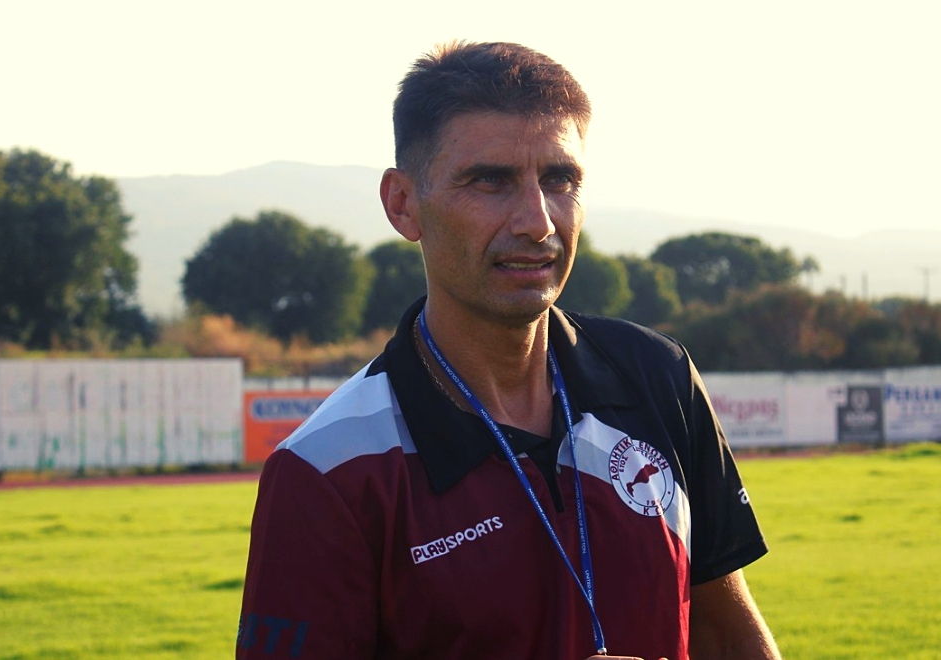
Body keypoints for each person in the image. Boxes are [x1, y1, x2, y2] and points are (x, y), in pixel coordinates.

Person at [237, 41, 781, 660]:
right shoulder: (326, 469)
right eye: (490, 181)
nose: (538, 221)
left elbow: (725, 634)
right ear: (403, 204)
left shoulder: (658, 377)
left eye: (559, 180)